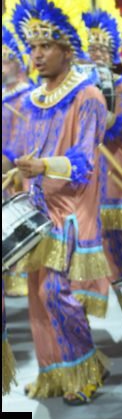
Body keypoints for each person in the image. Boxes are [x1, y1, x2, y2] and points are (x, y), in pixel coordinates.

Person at [5, 0, 111, 404]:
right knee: (36, 295)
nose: (37, 55)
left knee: (55, 292)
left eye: (45, 46)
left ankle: (84, 370)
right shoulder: (28, 100)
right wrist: (13, 171)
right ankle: (54, 374)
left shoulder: (87, 95)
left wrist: (42, 166)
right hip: (34, 209)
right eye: (31, 47)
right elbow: (15, 149)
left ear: (66, 48)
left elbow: (84, 160)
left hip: (69, 210)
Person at [70, 0, 122, 317]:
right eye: (90, 47)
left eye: (101, 47)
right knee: (88, 249)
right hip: (86, 184)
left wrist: (102, 112)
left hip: (116, 183)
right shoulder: (77, 88)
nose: (95, 52)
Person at [2, 18, 32, 297]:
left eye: (6, 59)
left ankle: (21, 276)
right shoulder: (5, 96)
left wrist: (8, 157)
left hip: (19, 169)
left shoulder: (28, 97)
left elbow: (23, 136)